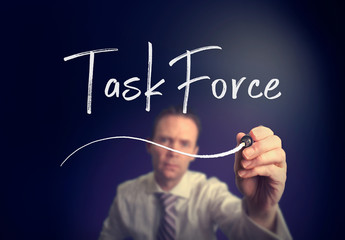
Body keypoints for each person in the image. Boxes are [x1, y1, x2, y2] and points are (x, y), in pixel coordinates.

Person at [99, 106, 292, 240]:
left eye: (184, 144)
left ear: (194, 153)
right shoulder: (126, 194)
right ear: (149, 146)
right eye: (165, 140)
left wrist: (261, 210)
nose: (173, 153)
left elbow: (241, 230)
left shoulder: (210, 192)